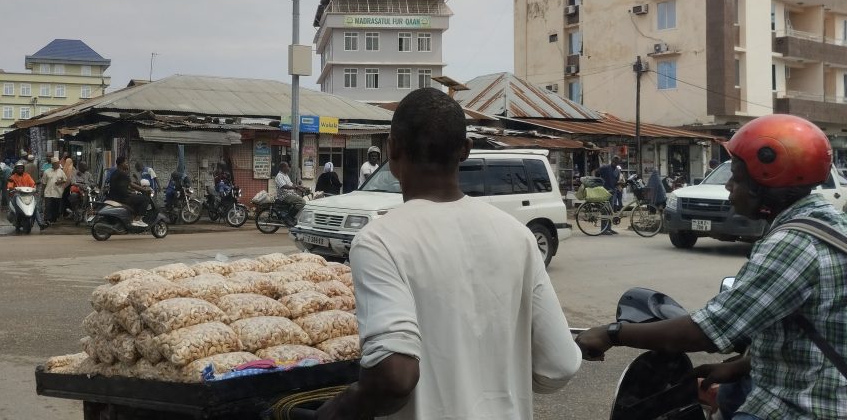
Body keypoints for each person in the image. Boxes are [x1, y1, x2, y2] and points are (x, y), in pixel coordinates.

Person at [317, 88, 580, 420]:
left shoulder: (380, 241)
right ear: (465, 151)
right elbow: (560, 364)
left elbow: (395, 377)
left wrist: (334, 411)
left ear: (392, 148)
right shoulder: (517, 236)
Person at [576, 114, 847, 420]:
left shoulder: (792, 244)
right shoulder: (828, 222)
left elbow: (705, 331)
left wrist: (612, 333)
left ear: (766, 182)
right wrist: (739, 365)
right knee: (731, 392)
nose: (729, 186)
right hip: (812, 378)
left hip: (805, 405)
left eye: (737, 177)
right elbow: (818, 329)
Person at [108, 157, 149, 227]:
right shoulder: (122, 174)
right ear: (121, 164)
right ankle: (137, 220)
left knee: (136, 198)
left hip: (114, 197)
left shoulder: (114, 173)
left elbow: (122, 187)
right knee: (145, 199)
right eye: (126, 163)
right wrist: (145, 190)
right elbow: (131, 184)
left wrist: (132, 191)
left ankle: (132, 217)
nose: (127, 165)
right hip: (122, 198)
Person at [594, 156, 622, 235]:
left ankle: (609, 228)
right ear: (612, 161)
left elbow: (616, 181)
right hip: (605, 191)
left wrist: (620, 184)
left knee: (611, 211)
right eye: (614, 162)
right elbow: (596, 172)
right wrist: (599, 182)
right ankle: (604, 229)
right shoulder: (605, 167)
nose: (615, 163)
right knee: (605, 210)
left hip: (613, 192)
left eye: (616, 163)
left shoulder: (617, 171)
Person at [40, 157, 68, 224]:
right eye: (56, 163)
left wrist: (60, 182)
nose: (58, 165)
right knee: (48, 206)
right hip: (48, 192)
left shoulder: (61, 171)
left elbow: (65, 180)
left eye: (58, 163)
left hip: (57, 192)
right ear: (53, 164)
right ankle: (47, 219)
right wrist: (42, 192)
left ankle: (54, 219)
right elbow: (44, 183)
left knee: (55, 206)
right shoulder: (46, 172)